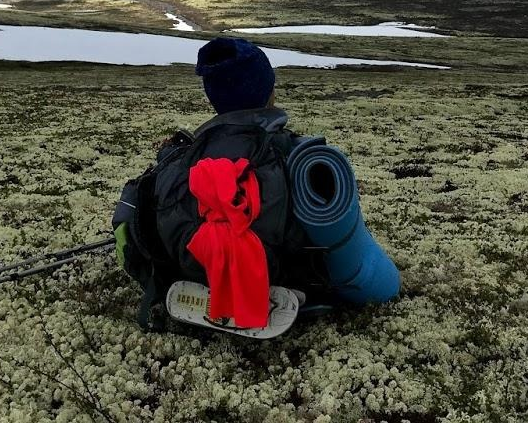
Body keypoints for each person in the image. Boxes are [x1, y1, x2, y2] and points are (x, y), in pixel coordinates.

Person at [112, 36, 400, 334]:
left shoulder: (180, 161)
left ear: (214, 96)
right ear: (268, 91)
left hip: (187, 271)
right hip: (287, 283)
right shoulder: (299, 157)